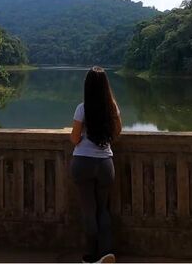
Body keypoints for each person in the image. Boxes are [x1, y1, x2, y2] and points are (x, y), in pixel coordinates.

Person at [69, 66, 123, 263]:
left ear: (87, 86)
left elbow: (75, 138)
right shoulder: (113, 108)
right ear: (106, 86)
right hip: (105, 164)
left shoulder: (82, 108)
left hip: (83, 163)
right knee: (103, 209)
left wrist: (79, 134)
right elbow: (117, 133)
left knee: (88, 210)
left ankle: (90, 257)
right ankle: (106, 253)